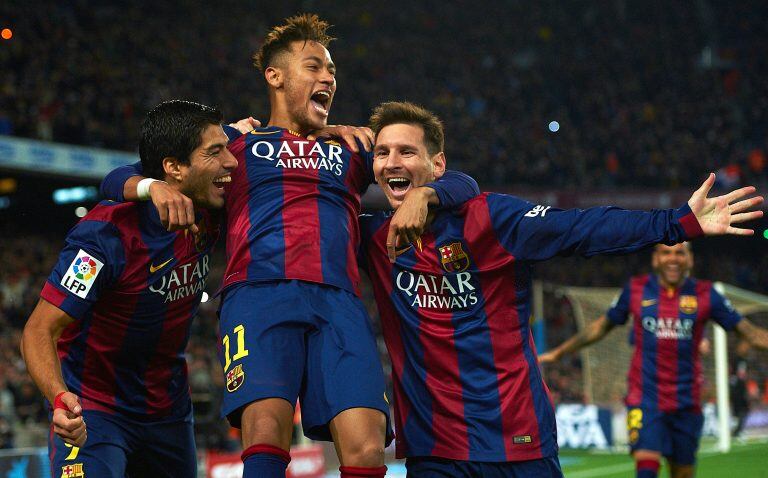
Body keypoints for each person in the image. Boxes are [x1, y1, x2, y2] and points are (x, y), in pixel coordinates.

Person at [99, 14, 479, 478]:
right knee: (266, 433)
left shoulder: (356, 147)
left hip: (338, 300)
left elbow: (460, 182)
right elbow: (115, 178)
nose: (328, 78)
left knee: (366, 447)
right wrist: (151, 188)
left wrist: (425, 194)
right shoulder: (234, 144)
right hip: (258, 295)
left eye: (332, 71)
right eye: (314, 67)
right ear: (274, 76)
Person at [357, 101, 764, 478]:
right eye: (382, 153)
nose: (392, 161)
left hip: (519, 440)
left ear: (437, 163)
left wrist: (677, 223)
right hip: (435, 450)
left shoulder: (492, 219)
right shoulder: (372, 237)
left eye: (407, 151)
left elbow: (583, 228)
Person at [20, 100, 237, 478]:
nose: (231, 162)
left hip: (168, 412)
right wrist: (58, 398)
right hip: (95, 411)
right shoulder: (104, 237)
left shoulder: (209, 200)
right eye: (216, 152)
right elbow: (39, 330)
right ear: (173, 168)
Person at [539, 243, 768, 478]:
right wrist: (561, 352)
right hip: (645, 399)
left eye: (680, 252)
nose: (673, 258)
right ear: (655, 259)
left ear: (690, 259)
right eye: (666, 252)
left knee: (682, 473)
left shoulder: (706, 295)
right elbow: (602, 326)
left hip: (686, 403)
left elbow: (750, 333)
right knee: (646, 469)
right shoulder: (637, 290)